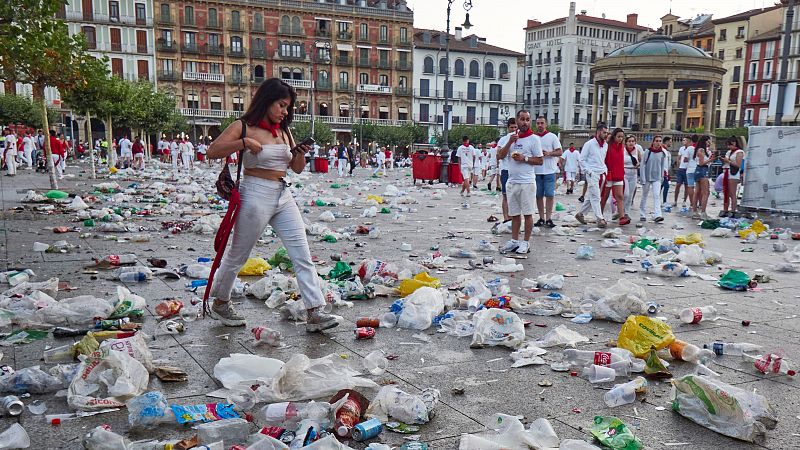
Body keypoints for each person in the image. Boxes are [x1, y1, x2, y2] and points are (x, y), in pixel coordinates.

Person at [206, 78, 337, 331]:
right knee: (238, 254)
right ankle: (221, 302)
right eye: (281, 105)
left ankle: (314, 311)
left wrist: (299, 153)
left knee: (302, 254)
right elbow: (213, 151)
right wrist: (242, 143)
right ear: (266, 101)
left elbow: (295, 169)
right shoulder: (243, 126)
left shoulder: (284, 131)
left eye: (287, 107)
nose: (285, 112)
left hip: (282, 193)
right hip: (254, 193)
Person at [497, 110, 542, 254]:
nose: (525, 122)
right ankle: (514, 240)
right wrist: (510, 141)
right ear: (517, 121)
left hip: (527, 182)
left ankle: (526, 242)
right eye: (522, 119)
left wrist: (525, 158)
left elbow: (540, 160)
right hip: (512, 181)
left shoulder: (534, 139)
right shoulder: (510, 138)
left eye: (528, 119)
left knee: (528, 214)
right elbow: (500, 156)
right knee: (514, 214)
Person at [575, 124, 609, 227]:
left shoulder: (605, 145)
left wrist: (605, 170)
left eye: (607, 133)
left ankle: (581, 214)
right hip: (592, 173)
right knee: (596, 196)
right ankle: (600, 218)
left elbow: (603, 159)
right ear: (598, 132)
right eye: (604, 132)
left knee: (592, 195)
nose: (606, 134)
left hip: (602, 172)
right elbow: (582, 159)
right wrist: (588, 171)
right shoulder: (589, 144)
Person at [533, 116, 562, 228]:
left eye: (542, 123)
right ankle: (541, 218)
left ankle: (549, 218)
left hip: (549, 170)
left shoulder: (552, 137)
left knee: (550, 195)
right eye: (538, 123)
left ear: (546, 124)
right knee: (538, 195)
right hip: (536, 171)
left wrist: (549, 153)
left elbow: (559, 151)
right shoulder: (533, 137)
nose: (540, 125)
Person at [600, 128, 628, 225]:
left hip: (619, 174)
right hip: (609, 174)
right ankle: (600, 216)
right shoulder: (607, 146)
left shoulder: (622, 147)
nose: (620, 139)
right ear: (614, 136)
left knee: (619, 196)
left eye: (622, 137)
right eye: (618, 137)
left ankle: (622, 217)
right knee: (605, 196)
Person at [639, 135, 669, 223]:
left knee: (656, 195)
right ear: (653, 142)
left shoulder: (663, 153)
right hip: (647, 177)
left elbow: (663, 165)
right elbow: (642, 165)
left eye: (660, 141)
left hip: (657, 178)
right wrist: (642, 178)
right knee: (645, 195)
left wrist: (662, 177)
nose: (658, 143)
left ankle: (658, 214)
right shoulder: (647, 152)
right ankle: (642, 213)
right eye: (656, 141)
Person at [495, 118, 518, 224]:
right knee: (505, 195)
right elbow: (498, 155)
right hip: (506, 170)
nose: (514, 129)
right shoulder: (503, 140)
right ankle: (506, 218)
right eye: (511, 127)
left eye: (515, 127)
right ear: (508, 128)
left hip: (517, 171)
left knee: (516, 196)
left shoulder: (521, 138)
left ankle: (514, 218)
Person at [720, 136, 745, 218]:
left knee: (732, 193)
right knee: (726, 192)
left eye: (729, 145)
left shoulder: (739, 152)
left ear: (734, 143)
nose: (728, 147)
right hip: (726, 171)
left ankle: (733, 209)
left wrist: (729, 161)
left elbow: (738, 165)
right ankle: (725, 209)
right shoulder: (729, 152)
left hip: (734, 173)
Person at [692, 135, 714, 219]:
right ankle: (703, 212)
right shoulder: (701, 150)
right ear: (705, 141)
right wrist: (710, 160)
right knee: (705, 192)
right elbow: (701, 163)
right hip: (702, 170)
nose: (710, 143)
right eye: (709, 141)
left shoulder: (701, 150)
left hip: (698, 171)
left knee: (697, 192)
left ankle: (695, 211)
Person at [622, 135, 643, 222]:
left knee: (630, 195)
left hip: (633, 174)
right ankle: (621, 210)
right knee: (625, 194)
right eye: (629, 141)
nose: (631, 143)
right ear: (626, 142)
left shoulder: (637, 150)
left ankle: (626, 212)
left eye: (633, 141)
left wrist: (638, 165)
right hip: (625, 173)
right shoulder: (622, 150)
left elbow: (640, 160)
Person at [673, 136, 692, 208]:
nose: (683, 141)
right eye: (683, 140)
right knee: (678, 184)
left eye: (685, 140)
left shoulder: (690, 149)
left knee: (687, 186)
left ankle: (684, 201)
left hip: (687, 168)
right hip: (681, 168)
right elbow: (678, 157)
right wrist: (678, 165)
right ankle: (675, 200)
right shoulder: (681, 148)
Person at [683, 135, 698, 215]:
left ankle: (692, 203)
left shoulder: (689, 148)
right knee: (698, 188)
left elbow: (685, 159)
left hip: (690, 169)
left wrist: (687, 160)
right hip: (697, 169)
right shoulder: (700, 148)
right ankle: (697, 203)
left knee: (690, 187)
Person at [661, 136, 673, 205]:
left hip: (666, 171)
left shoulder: (666, 151)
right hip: (663, 171)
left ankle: (661, 200)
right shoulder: (662, 150)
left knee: (662, 186)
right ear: (666, 141)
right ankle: (664, 201)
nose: (671, 143)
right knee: (666, 186)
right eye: (670, 142)